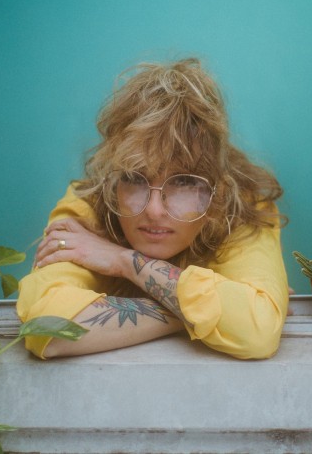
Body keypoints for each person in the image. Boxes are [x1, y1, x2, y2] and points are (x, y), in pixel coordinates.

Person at [16, 58, 288, 360]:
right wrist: (202, 313)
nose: (155, 210)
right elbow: (47, 328)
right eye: (134, 179)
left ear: (218, 190)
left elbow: (258, 331)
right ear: (111, 182)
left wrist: (124, 261)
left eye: (184, 182)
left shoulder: (244, 206)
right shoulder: (88, 203)